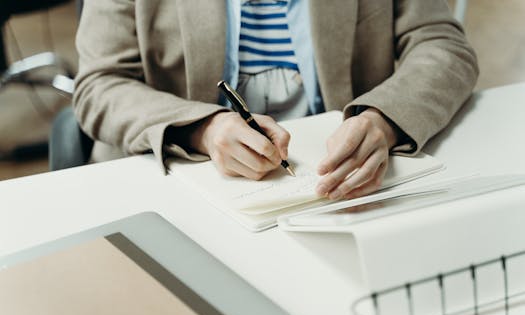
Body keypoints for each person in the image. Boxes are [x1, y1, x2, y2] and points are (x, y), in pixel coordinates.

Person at [73, 0, 478, 200]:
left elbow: (442, 45)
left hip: (335, 191)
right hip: (179, 190)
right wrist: (202, 129)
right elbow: (99, 84)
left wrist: (384, 119)